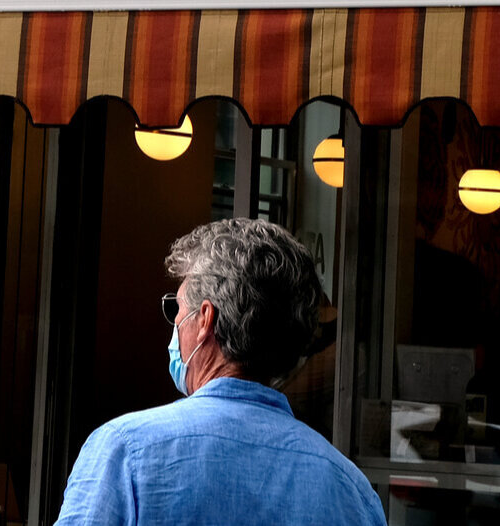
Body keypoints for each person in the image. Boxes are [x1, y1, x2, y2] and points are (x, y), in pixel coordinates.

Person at [56, 220, 386, 526]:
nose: (173, 325)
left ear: (204, 319)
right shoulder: (351, 489)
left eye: (177, 309)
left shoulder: (123, 453)